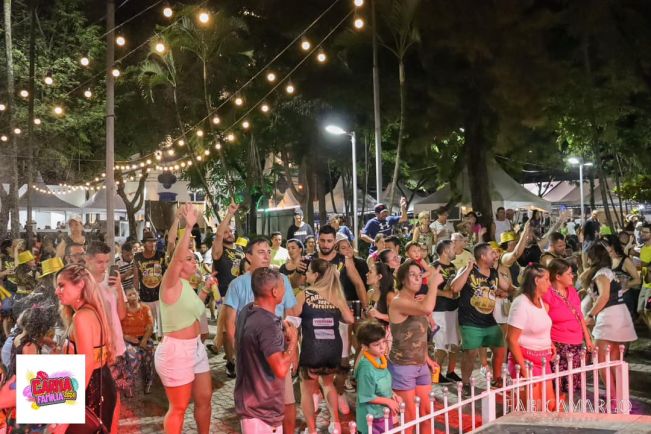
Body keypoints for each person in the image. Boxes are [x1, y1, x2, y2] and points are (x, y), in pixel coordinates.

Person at [223, 237, 298, 434]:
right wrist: (293, 342)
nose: (266, 256)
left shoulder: (250, 309)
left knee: (284, 401)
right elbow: (229, 324)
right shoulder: (265, 320)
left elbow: (290, 315)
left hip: (273, 355)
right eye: (260, 252)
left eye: (268, 252)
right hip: (261, 396)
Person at [154, 204, 212, 434]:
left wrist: (206, 289)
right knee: (179, 408)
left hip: (196, 348)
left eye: (194, 258)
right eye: (189, 258)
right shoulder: (170, 283)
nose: (194, 261)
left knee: (205, 399)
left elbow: (194, 309)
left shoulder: (187, 285)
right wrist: (188, 227)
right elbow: (176, 259)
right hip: (175, 352)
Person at [55, 264, 118, 433]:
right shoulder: (91, 312)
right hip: (98, 384)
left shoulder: (81, 317)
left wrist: (66, 416)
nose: (57, 291)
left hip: (89, 389)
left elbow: (87, 363)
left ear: (80, 285)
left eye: (62, 285)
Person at [294, 258, 355, 434]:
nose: (306, 274)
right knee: (328, 384)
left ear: (315, 275)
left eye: (308, 271)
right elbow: (350, 319)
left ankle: (312, 430)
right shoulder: (335, 294)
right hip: (333, 348)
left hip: (312, 348)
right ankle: (336, 423)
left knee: (307, 390)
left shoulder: (305, 294)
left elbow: (292, 318)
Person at [388, 260, 442, 434]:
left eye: (420, 275)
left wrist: (427, 358)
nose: (418, 278)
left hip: (421, 365)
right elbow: (427, 308)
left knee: (427, 413)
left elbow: (419, 335)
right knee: (409, 418)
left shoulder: (416, 301)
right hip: (403, 366)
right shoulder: (398, 302)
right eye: (413, 275)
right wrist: (433, 285)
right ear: (402, 279)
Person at [451, 243, 509, 393]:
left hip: (489, 319)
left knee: (500, 348)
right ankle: (465, 383)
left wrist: (498, 269)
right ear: (482, 256)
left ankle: (497, 378)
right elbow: (455, 288)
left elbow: (506, 286)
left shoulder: (494, 272)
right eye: (491, 253)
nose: (495, 255)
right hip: (469, 320)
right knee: (470, 353)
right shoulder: (468, 270)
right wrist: (467, 269)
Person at [582, 243, 637, 395]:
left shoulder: (601, 274)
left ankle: (613, 396)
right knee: (613, 359)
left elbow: (604, 296)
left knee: (601, 360)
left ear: (592, 258)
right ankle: (619, 396)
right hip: (619, 314)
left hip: (610, 317)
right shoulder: (607, 272)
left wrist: (590, 315)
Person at [506, 264, 555, 410]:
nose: (549, 283)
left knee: (549, 405)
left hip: (543, 361)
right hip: (526, 362)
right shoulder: (521, 303)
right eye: (546, 279)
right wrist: (523, 369)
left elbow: (542, 326)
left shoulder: (540, 300)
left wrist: (550, 344)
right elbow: (511, 339)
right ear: (536, 281)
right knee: (531, 408)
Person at [544, 259, 594, 397]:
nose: (573, 276)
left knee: (570, 385)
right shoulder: (547, 293)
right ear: (558, 276)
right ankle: (556, 408)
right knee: (558, 385)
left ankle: (563, 406)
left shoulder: (572, 290)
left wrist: (588, 339)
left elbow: (580, 316)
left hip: (576, 343)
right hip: (559, 344)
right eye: (569, 273)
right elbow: (543, 321)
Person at [210, 201, 245, 372]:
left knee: (240, 330)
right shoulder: (219, 251)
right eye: (226, 232)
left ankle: (238, 358)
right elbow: (218, 235)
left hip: (243, 296)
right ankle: (230, 362)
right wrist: (230, 214)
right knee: (227, 331)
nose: (229, 234)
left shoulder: (240, 251)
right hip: (225, 296)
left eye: (231, 231)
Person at [354, 319, 401, 434]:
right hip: (372, 417)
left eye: (383, 342)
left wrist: (392, 394)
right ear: (365, 347)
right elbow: (366, 396)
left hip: (382, 412)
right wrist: (388, 401)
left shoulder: (379, 358)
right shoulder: (366, 368)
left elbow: (382, 383)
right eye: (376, 345)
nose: (382, 347)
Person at [431, 240, 463, 383]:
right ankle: (436, 375)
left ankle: (450, 372)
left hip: (453, 308)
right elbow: (429, 289)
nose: (455, 249)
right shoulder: (434, 266)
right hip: (439, 310)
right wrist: (445, 294)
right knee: (441, 345)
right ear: (445, 251)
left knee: (454, 343)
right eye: (452, 247)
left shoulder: (452, 266)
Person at [121, 287, 155, 396]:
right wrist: (126, 337)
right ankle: (129, 384)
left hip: (143, 338)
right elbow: (116, 328)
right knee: (133, 357)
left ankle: (149, 382)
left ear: (138, 295)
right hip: (128, 340)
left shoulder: (145, 308)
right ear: (125, 297)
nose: (133, 296)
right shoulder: (122, 310)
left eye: (134, 293)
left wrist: (144, 340)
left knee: (149, 355)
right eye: (129, 294)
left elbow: (150, 326)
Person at [134, 232, 166, 339]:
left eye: (154, 241)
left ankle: (163, 346)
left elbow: (167, 273)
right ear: (144, 244)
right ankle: (150, 344)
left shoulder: (161, 255)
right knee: (148, 327)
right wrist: (136, 293)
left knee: (163, 329)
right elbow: (136, 277)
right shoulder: (138, 257)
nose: (152, 244)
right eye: (149, 242)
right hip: (145, 296)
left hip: (160, 296)